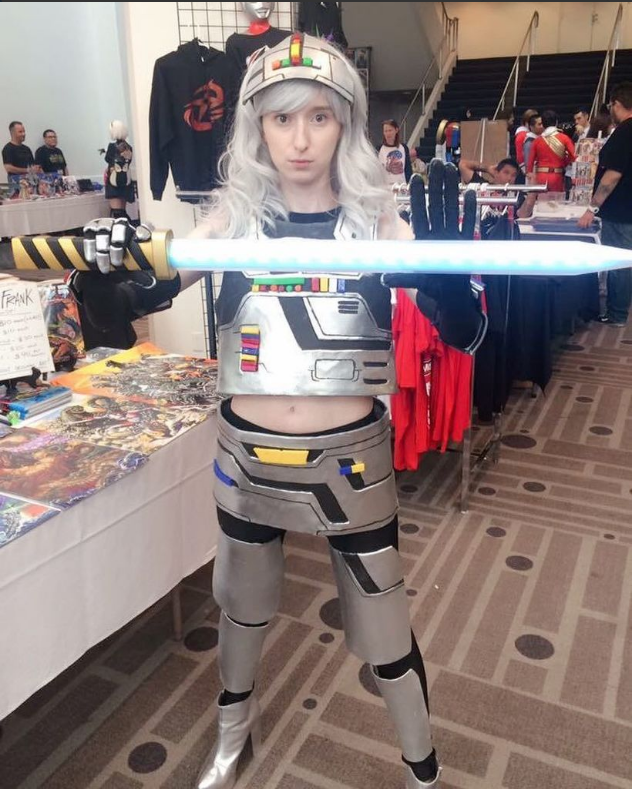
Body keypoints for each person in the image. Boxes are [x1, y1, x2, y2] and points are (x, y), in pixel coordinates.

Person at [80, 33, 486, 789]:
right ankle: (230, 740)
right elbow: (127, 309)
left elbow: (465, 335)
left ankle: (422, 770)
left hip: (353, 463)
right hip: (247, 459)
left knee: (385, 628)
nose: (300, 140)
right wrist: (102, 285)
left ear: (346, 125)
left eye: (320, 118)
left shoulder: (378, 227)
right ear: (256, 127)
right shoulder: (227, 227)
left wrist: (449, 283)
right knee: (240, 609)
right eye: (282, 118)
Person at [578, 81, 632, 327]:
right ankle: (619, 309)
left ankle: (616, 313)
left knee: (619, 261)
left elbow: (612, 177)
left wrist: (592, 208)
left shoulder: (624, 132)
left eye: (610, 106)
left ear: (617, 104)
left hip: (621, 210)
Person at [526, 109, 575, 193]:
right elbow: (573, 156)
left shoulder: (537, 141)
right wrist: (565, 162)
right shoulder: (564, 138)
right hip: (557, 176)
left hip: (540, 176)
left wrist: (529, 172)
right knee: (556, 200)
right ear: (556, 122)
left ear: (543, 124)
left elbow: (530, 162)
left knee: (541, 200)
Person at [104, 120, 134, 219]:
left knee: (117, 213)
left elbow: (108, 159)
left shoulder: (112, 147)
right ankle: (128, 226)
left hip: (113, 181)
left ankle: (124, 227)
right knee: (122, 211)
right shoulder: (129, 148)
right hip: (125, 181)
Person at [379, 118, 412, 184]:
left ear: (396, 130)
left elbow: (408, 169)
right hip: (385, 186)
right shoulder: (379, 149)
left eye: (390, 130)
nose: (388, 133)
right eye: (385, 131)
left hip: (401, 185)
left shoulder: (404, 148)